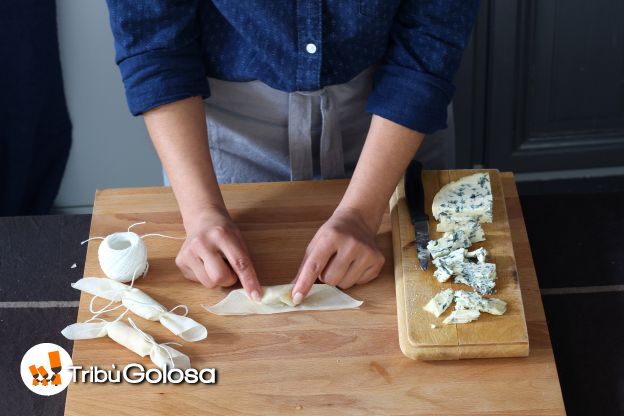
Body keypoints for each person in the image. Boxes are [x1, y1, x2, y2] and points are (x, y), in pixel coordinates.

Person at [105, 1, 479, 305]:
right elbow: (154, 41)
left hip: (392, 115)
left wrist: (363, 214)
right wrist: (202, 214)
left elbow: (431, 37)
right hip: (225, 126)